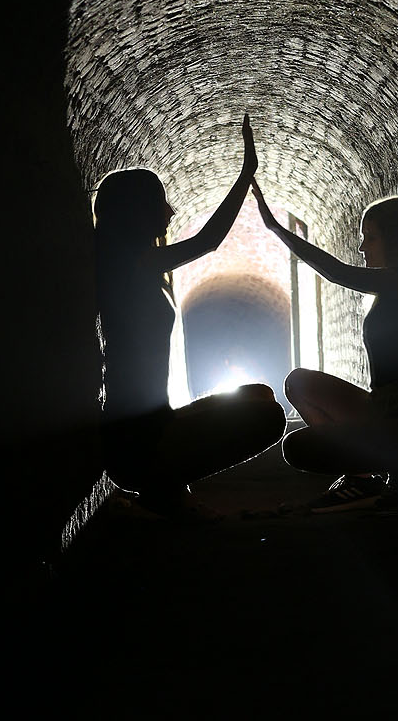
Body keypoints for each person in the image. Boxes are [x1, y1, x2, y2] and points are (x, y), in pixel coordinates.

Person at [93, 115, 286, 514]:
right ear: (138, 210)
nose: (171, 208)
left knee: (261, 396)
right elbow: (208, 241)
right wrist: (245, 173)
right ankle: (159, 484)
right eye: (160, 201)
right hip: (135, 442)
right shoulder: (128, 264)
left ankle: (163, 485)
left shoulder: (136, 264)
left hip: (153, 426)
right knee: (267, 417)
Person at [250, 178, 398, 513]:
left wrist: (275, 228)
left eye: (369, 237)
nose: (362, 247)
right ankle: (361, 478)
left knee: (298, 448)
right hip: (385, 408)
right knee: (299, 383)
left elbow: (336, 272)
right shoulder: (393, 286)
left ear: (394, 240)